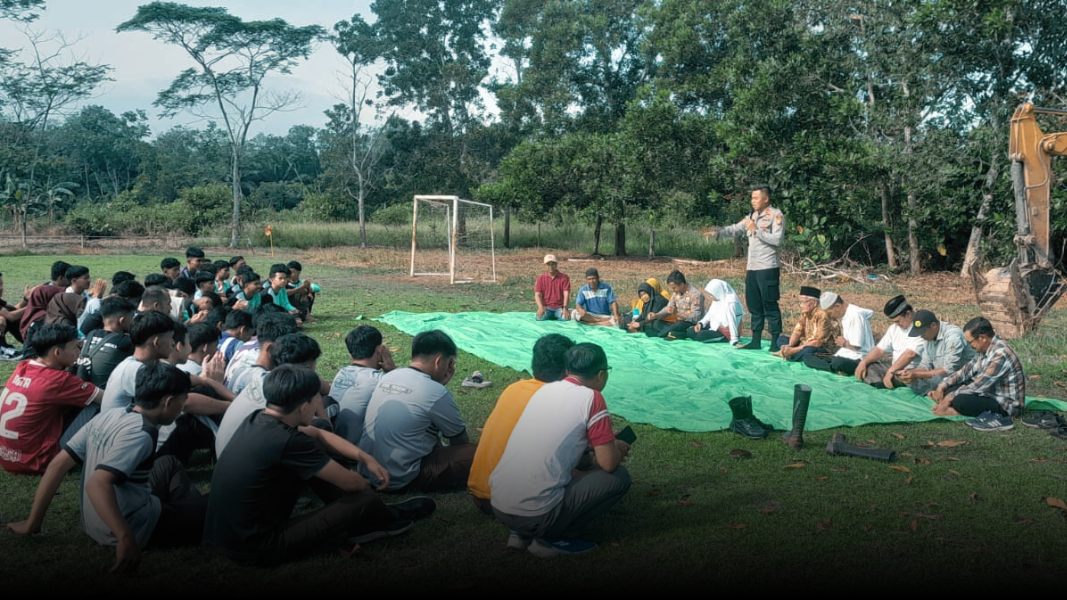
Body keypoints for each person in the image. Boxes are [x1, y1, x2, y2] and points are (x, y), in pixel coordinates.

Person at [203, 364, 435, 566]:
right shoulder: (289, 441)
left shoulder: (257, 418)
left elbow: (318, 434)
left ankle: (376, 516)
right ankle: (383, 518)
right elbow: (353, 484)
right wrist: (365, 493)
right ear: (305, 406)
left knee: (318, 463)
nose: (319, 403)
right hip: (259, 547)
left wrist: (365, 457)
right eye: (316, 398)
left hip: (223, 535)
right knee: (363, 499)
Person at [7, 362, 208, 574]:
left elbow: (57, 465)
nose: (183, 406)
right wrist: (125, 537)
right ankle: (185, 521)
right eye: (183, 399)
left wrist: (33, 522)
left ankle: (184, 515)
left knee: (168, 463)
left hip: (95, 525)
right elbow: (97, 483)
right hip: (136, 528)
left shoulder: (108, 415)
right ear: (169, 402)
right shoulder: (142, 433)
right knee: (216, 502)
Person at [489, 342, 631, 558]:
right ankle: (552, 539)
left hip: (499, 505)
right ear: (601, 375)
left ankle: (520, 533)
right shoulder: (593, 398)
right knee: (619, 477)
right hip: (536, 514)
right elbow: (608, 463)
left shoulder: (545, 390)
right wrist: (616, 446)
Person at [468, 333, 574, 514]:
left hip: (479, 495)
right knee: (609, 477)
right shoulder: (561, 399)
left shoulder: (514, 388)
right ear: (567, 370)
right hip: (513, 503)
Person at [360, 330, 476, 492]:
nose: (450, 369)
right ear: (438, 361)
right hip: (401, 478)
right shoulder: (435, 392)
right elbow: (459, 440)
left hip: (368, 471)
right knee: (481, 454)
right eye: (450, 363)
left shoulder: (389, 376)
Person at [0, 324, 102, 475]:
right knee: (96, 402)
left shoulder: (23, 366)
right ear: (57, 352)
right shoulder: (59, 380)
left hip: (8, 457)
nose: (79, 352)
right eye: (76, 347)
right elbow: (106, 398)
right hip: (39, 461)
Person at [708, 186, 785, 351]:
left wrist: (756, 231)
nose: (753, 201)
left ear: (766, 199)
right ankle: (756, 340)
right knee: (754, 305)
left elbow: (777, 240)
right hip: (752, 268)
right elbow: (736, 229)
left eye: (756, 198)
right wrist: (718, 232)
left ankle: (775, 342)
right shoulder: (752, 216)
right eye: (752, 198)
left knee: (769, 304)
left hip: (767, 267)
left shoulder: (776, 215)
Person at [928, 316, 1026, 432]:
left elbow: (980, 384)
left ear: (982, 338)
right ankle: (954, 404)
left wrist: (949, 398)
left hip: (1006, 405)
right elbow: (965, 371)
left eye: (970, 342)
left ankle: (956, 411)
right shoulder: (986, 348)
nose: (970, 346)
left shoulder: (1001, 354)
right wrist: (942, 386)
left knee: (960, 400)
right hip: (989, 392)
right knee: (949, 389)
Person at [332, 325, 396, 445]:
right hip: (359, 447)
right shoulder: (380, 380)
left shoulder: (342, 372)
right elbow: (411, 396)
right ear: (379, 350)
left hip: (334, 443)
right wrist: (392, 370)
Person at [897, 310, 974, 396]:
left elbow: (948, 370)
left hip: (961, 376)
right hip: (939, 374)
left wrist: (916, 374)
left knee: (937, 380)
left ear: (933, 325)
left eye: (923, 332)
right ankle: (931, 391)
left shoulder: (953, 336)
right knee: (910, 373)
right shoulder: (928, 337)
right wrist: (910, 373)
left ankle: (933, 391)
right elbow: (925, 365)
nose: (921, 336)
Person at [854, 295, 924, 389]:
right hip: (894, 368)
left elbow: (910, 354)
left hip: (913, 370)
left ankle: (882, 383)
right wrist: (864, 362)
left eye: (898, 321)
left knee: (905, 377)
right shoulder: (894, 328)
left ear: (908, 314)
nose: (897, 325)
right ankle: (884, 382)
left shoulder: (922, 327)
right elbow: (879, 350)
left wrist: (891, 371)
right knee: (869, 368)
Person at [801, 292, 875, 375]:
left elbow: (857, 347)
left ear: (837, 306)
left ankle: (833, 367)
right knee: (807, 357)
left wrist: (844, 343)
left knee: (838, 362)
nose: (831, 316)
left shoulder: (855, 316)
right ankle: (834, 369)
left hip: (859, 358)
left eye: (830, 313)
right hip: (845, 355)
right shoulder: (846, 316)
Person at [76, 297, 137, 389]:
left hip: (84, 389)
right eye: (131, 317)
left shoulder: (91, 334)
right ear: (122, 320)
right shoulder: (126, 342)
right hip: (104, 393)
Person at [776, 286, 837, 362]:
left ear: (814, 303)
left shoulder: (823, 315)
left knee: (808, 351)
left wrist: (794, 350)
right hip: (805, 343)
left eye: (804, 302)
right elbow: (797, 331)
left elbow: (818, 343)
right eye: (800, 302)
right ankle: (789, 353)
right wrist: (790, 345)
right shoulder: (806, 312)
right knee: (781, 339)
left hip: (823, 348)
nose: (801, 306)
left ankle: (790, 355)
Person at [646, 270, 706, 339]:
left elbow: (695, 318)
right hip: (677, 323)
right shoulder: (676, 293)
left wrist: (677, 313)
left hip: (689, 324)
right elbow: (668, 308)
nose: (673, 290)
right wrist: (656, 315)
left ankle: (660, 334)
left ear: (682, 285)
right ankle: (671, 333)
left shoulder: (695, 295)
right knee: (656, 323)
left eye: (674, 288)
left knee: (679, 325)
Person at [690, 279, 744, 344]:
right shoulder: (718, 299)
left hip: (725, 333)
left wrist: (734, 339)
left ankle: (722, 338)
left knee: (701, 336)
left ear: (718, 291)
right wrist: (701, 324)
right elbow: (710, 314)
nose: (710, 297)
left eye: (711, 295)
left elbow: (732, 321)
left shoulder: (731, 303)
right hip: (716, 327)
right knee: (691, 331)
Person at [534, 254, 570, 321]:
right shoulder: (540, 279)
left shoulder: (564, 277)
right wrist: (540, 307)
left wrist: (565, 308)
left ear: (556, 264)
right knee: (539, 318)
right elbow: (537, 295)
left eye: (553, 264)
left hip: (559, 308)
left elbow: (566, 294)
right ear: (545, 265)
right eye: (548, 264)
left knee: (565, 318)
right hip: (546, 307)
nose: (551, 266)